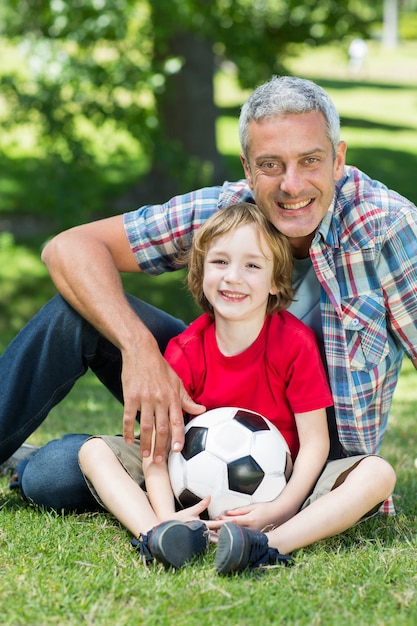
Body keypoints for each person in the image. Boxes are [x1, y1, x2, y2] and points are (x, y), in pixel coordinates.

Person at [1, 75, 417, 511]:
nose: (291, 185)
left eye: (310, 160)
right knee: (70, 334)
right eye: (270, 164)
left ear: (338, 160)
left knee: (59, 474)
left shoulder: (387, 227)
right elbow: (67, 248)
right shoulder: (225, 213)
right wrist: (140, 349)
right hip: (205, 405)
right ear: (247, 168)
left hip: (312, 458)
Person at [77, 202, 395, 572]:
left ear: (276, 279)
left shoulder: (294, 343)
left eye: (253, 265)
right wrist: (167, 513)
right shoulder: (186, 351)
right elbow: (156, 451)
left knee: (378, 474)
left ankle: (263, 545)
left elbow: (315, 444)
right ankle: (161, 535)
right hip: (187, 493)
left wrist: (282, 508)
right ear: (200, 271)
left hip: (283, 493)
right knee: (94, 452)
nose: (233, 277)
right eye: (220, 262)